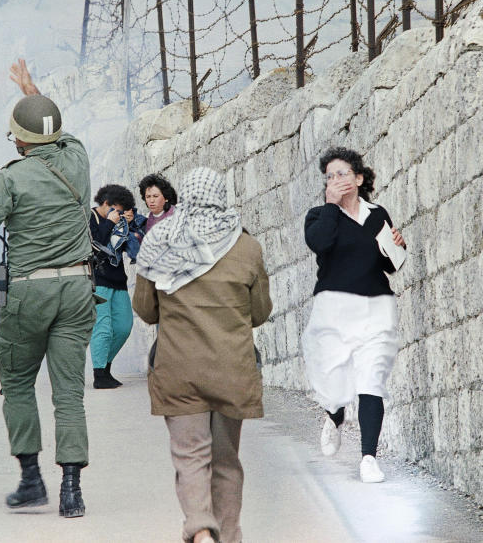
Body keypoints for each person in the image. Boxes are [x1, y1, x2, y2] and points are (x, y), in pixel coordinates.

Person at [0, 59, 94, 518]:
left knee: (18, 382)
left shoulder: (11, 177)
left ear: (19, 140)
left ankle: (31, 478)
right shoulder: (76, 157)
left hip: (30, 292)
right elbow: (53, 128)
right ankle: (72, 491)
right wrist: (31, 90)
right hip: (79, 287)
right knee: (69, 393)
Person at [132, 167, 272, 543]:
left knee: (191, 456)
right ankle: (228, 535)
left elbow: (145, 309)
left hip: (178, 369)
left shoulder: (160, 239)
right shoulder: (246, 247)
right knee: (226, 462)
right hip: (232, 370)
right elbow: (259, 313)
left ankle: (199, 530)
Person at [301, 146, 407, 484]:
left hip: (376, 306)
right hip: (333, 307)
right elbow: (320, 244)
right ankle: (334, 415)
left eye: (342, 173)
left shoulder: (377, 214)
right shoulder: (319, 215)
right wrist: (332, 205)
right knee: (335, 379)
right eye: (329, 176)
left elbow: (390, 264)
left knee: (371, 379)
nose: (335, 180)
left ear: (359, 178)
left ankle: (368, 459)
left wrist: (398, 246)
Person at [88, 184, 136, 389]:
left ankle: (105, 368)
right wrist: (109, 222)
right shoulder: (89, 217)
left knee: (124, 326)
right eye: (117, 208)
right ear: (106, 204)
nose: (119, 213)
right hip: (97, 280)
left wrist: (130, 226)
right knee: (103, 328)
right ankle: (99, 374)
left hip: (118, 280)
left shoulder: (118, 218)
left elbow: (129, 246)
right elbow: (95, 243)